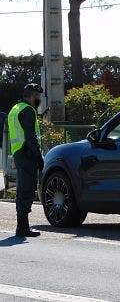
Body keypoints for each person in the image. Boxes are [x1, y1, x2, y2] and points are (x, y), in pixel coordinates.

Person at [8, 83, 44, 237]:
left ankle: (22, 226)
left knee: (22, 190)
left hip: (19, 153)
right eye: (38, 96)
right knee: (27, 190)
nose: (39, 99)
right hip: (27, 153)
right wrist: (38, 156)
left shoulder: (15, 109)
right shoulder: (28, 110)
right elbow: (31, 137)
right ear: (31, 96)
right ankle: (22, 228)